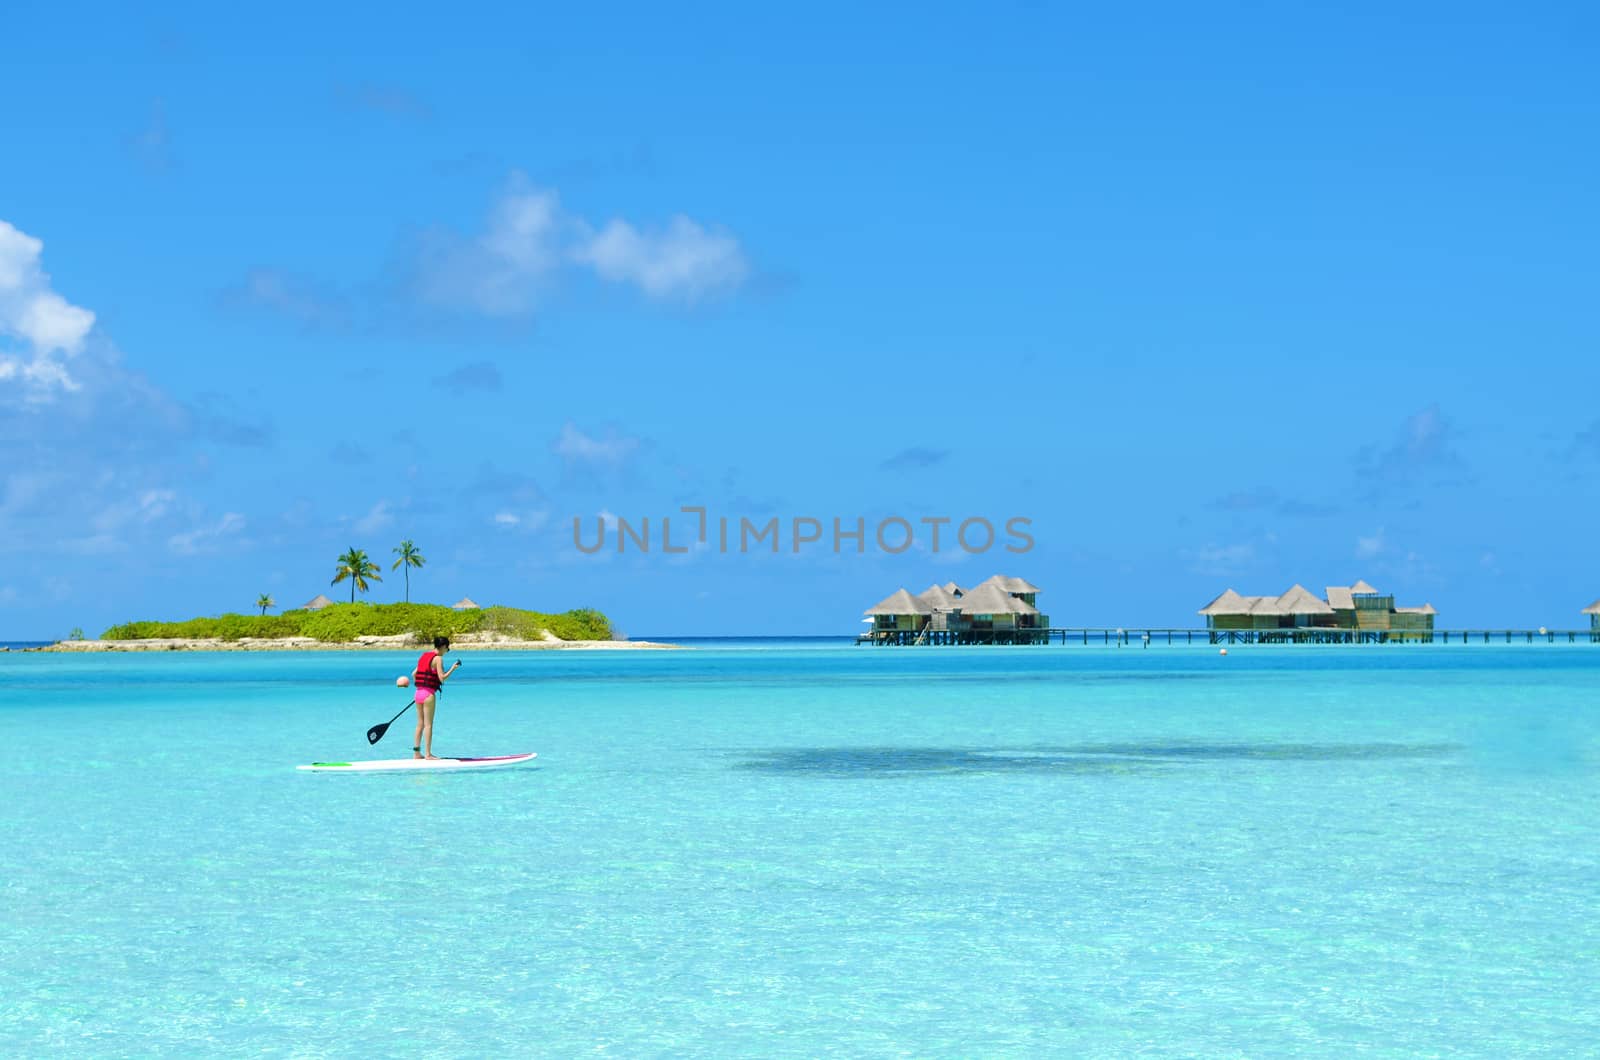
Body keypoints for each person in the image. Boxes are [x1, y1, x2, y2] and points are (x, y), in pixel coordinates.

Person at [412, 636, 461, 759]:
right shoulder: (438, 659)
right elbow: (442, 678)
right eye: (447, 648)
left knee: (420, 724)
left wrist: (421, 686)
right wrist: (453, 669)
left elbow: (414, 674)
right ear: (443, 647)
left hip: (418, 693)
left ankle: (417, 753)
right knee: (428, 725)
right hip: (428, 695)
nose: (447, 651)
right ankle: (428, 754)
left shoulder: (424, 656)